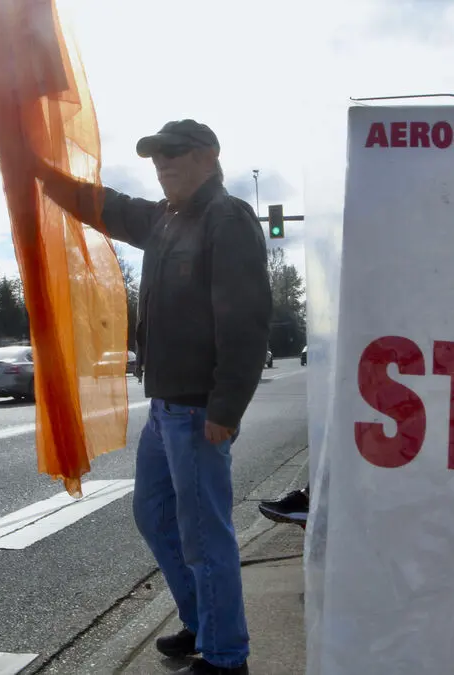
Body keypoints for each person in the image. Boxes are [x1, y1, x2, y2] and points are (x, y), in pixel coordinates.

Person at [34, 119, 271, 675]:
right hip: (164, 411)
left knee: (203, 535)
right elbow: (107, 205)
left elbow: (247, 322)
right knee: (154, 515)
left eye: (176, 154)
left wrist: (226, 408)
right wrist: (43, 176)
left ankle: (226, 655)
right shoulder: (166, 219)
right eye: (157, 157)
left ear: (210, 155)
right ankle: (202, 623)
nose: (164, 164)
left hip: (197, 412)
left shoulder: (225, 218)